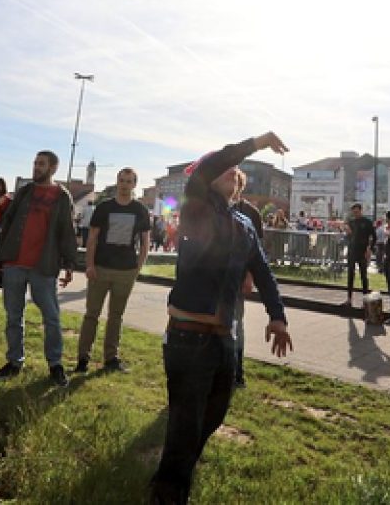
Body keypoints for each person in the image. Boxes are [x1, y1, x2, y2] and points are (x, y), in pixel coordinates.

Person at [149, 132, 292, 504]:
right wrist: (257, 143)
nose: (232, 170)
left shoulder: (245, 225)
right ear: (210, 177)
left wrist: (278, 316)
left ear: (240, 184)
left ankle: (175, 473)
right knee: (185, 423)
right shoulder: (195, 204)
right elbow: (217, 160)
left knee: (213, 414)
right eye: (225, 168)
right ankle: (168, 491)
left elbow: (263, 271)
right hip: (188, 335)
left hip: (224, 338)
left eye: (236, 170)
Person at [0, 150, 77, 387]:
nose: (36, 167)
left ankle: (55, 365)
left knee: (52, 318)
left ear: (53, 168)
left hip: (44, 265)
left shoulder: (62, 196)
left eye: (41, 164)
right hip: (14, 263)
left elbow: (66, 232)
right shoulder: (25, 191)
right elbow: (7, 223)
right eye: (35, 163)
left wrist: (70, 263)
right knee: (13, 316)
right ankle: (14, 362)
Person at [74, 168, 150, 374]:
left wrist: (138, 267)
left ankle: (111, 358)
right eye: (121, 180)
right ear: (117, 182)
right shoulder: (104, 207)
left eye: (128, 181)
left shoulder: (140, 210)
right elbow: (92, 238)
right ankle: (82, 358)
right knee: (91, 315)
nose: (124, 184)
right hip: (100, 268)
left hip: (126, 271)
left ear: (134, 184)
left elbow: (145, 242)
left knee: (116, 316)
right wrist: (89, 265)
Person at [231, 169, 263, 389]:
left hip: (237, 277)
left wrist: (249, 277)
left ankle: (237, 373)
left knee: (236, 325)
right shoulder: (211, 209)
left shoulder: (251, 213)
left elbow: (256, 252)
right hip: (212, 278)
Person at [341, 203, 376, 306]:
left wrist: (370, 249)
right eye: (353, 212)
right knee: (350, 275)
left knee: (363, 276)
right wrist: (347, 234)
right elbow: (348, 237)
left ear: (361, 211)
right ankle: (349, 299)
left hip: (362, 251)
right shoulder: (351, 222)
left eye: (356, 212)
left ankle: (365, 300)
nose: (355, 214)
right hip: (352, 251)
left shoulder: (367, 222)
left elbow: (374, 237)